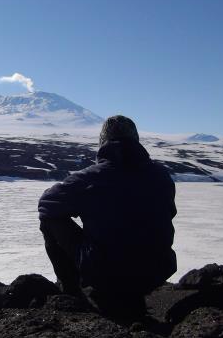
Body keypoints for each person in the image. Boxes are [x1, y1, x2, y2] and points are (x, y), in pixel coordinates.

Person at [38, 115, 176, 313]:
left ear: (103, 141)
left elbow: (47, 203)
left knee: (50, 218)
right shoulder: (161, 175)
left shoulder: (91, 178)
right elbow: (169, 213)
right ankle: (133, 294)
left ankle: (71, 292)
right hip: (159, 268)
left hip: (106, 272)